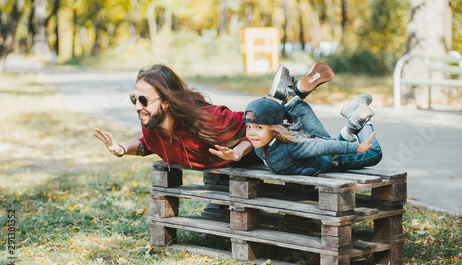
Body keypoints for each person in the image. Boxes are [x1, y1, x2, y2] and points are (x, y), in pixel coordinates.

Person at [94, 63, 333, 169]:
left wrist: (238, 152)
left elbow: (256, 126)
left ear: (166, 103)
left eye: (144, 100)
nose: (137, 107)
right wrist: (123, 149)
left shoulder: (208, 120)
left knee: (329, 154)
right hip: (238, 163)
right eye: (134, 99)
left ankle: (289, 97)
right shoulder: (152, 126)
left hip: (271, 146)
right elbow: (150, 145)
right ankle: (286, 94)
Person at [217, 64, 382, 176]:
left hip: (332, 160)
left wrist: (357, 147)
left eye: (259, 128)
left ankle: (362, 118)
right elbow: (255, 135)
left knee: (374, 153)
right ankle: (291, 94)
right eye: (249, 127)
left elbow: (323, 146)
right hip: (316, 145)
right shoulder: (261, 144)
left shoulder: (292, 148)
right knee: (275, 116)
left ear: (274, 129)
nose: (252, 133)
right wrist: (236, 153)